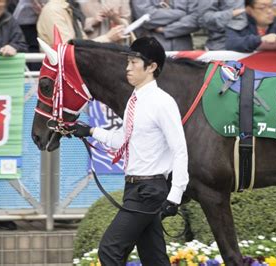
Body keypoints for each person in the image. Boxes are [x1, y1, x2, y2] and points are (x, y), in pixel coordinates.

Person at [67, 37, 189, 265]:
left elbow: (180, 149)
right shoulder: (135, 99)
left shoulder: (163, 102)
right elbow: (123, 140)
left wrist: (175, 196)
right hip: (134, 188)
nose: (128, 68)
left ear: (152, 67)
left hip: (149, 190)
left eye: (134, 63)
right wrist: (90, 131)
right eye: (128, 62)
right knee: (154, 259)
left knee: (109, 250)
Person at [37, 0, 126, 45]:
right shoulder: (53, 10)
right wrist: (107, 37)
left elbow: (82, 42)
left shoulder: (69, 9)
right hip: (61, 74)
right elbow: (67, 49)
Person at [131, 0, 199, 51]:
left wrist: (166, 30)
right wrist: (182, 13)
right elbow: (146, 17)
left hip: (183, 50)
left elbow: (196, 19)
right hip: (151, 50)